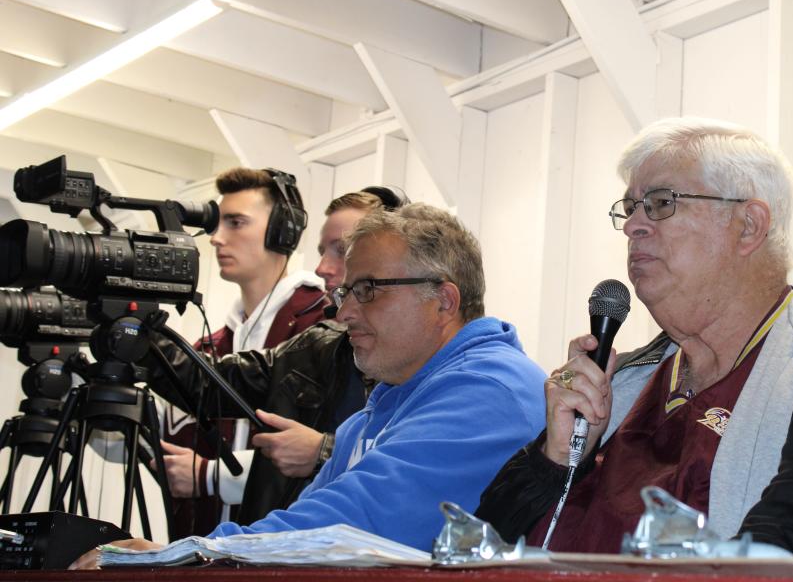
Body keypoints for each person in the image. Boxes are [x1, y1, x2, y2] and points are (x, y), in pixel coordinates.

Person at [73, 203, 545, 568]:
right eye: (346, 293)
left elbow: (352, 526)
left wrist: (182, 556)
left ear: (443, 300)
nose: (344, 314)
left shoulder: (490, 390)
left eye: (369, 290)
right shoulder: (378, 411)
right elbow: (306, 525)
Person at [475, 117, 793, 552]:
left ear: (748, 225)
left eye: (660, 202)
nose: (632, 225)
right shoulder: (623, 380)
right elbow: (484, 539)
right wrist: (557, 460)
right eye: (630, 207)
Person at [159, 188, 404, 530]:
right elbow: (213, 383)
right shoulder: (319, 346)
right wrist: (139, 333)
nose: (321, 268)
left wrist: (323, 451)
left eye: (342, 250)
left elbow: (419, 462)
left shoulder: (434, 365)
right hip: (285, 552)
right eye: (322, 251)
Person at [160, 166, 328, 538]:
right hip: (204, 555)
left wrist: (208, 475)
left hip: (286, 555)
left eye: (236, 222)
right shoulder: (209, 345)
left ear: (281, 232)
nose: (217, 238)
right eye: (217, 225)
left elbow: (330, 453)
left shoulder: (321, 328)